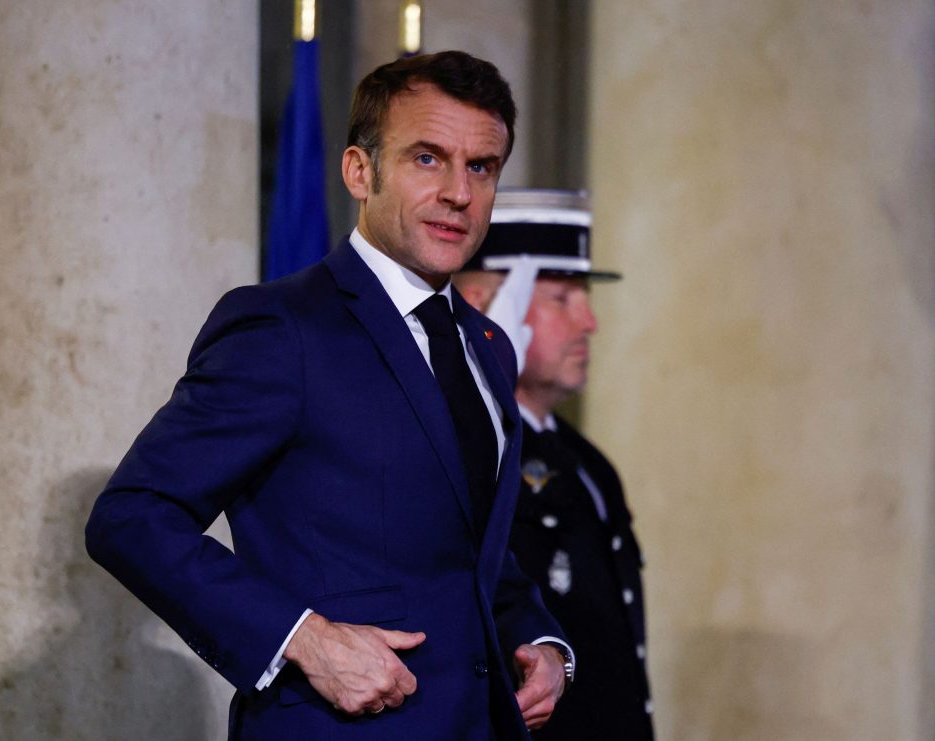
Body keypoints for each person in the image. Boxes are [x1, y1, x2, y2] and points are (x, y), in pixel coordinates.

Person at [85, 51, 573, 740]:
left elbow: (467, 551)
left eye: (481, 167)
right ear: (359, 171)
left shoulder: (488, 346)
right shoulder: (282, 326)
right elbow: (133, 515)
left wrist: (543, 641)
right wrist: (304, 638)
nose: (459, 193)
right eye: (427, 159)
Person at [453, 188, 654, 740]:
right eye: (562, 299)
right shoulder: (466, 452)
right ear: (482, 306)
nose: (589, 321)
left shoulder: (586, 462)